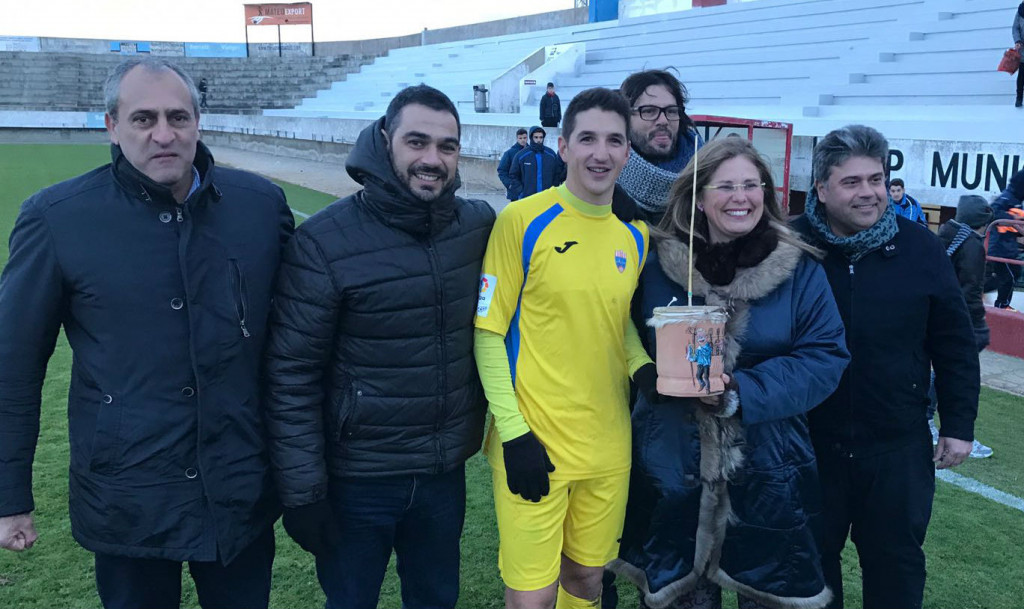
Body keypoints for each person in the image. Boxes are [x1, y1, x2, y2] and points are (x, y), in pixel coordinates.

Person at [0, 57, 293, 609]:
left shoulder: (260, 205)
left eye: (178, 117)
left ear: (198, 122)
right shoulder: (57, 218)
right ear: (111, 126)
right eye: (143, 119)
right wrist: (9, 496)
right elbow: (12, 367)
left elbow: (296, 340)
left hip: (238, 489)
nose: (164, 134)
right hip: (125, 495)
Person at [262, 84, 495, 609]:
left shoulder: (477, 224)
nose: (432, 159)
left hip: (442, 474)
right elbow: (290, 374)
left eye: (447, 146)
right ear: (385, 140)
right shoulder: (324, 242)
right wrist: (302, 494)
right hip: (356, 480)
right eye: (417, 142)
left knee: (436, 600)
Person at [611, 137, 849, 609]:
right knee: (681, 597)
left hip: (769, 472)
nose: (741, 197)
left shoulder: (798, 267)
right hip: (670, 465)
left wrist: (741, 391)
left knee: (766, 591)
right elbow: (615, 334)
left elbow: (825, 356)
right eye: (725, 186)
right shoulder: (653, 262)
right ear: (698, 196)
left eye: (751, 184)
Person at [474, 87, 650, 609]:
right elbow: (487, 331)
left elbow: (616, 322)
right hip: (534, 441)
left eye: (614, 140)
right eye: (588, 138)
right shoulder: (522, 221)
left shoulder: (635, 235)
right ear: (563, 145)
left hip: (607, 444)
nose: (601, 152)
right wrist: (513, 434)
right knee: (533, 597)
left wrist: (641, 369)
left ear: (627, 152)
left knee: (587, 581)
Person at [792, 125, 980, 609]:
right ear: (821, 189)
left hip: (897, 446)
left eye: (876, 179)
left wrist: (958, 426)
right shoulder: (789, 246)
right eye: (852, 182)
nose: (869, 193)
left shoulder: (921, 248)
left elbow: (954, 343)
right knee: (810, 572)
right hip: (809, 444)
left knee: (896, 569)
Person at [930, 194, 994, 458]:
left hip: (935, 313)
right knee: (956, 370)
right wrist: (978, 324)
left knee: (939, 368)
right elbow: (970, 289)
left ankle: (927, 420)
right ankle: (934, 423)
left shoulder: (945, 232)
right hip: (958, 320)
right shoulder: (971, 244)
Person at [617, 69, 704, 224]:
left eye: (671, 111)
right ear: (626, 118)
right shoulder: (600, 185)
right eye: (649, 111)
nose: (663, 120)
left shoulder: (706, 176)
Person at [985, 169, 1024, 309]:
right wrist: (1012, 220)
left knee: (1014, 274)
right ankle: (1002, 304)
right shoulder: (1007, 197)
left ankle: (978, 291)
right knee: (1008, 278)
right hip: (999, 248)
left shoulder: (1017, 201)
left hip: (1009, 248)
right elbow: (992, 211)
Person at [508, 125, 565, 201]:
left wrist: (553, 191)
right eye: (536, 137)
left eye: (541, 137)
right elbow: (513, 175)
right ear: (531, 137)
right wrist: (521, 191)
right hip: (528, 199)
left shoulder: (551, 154)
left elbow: (557, 174)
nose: (539, 140)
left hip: (547, 198)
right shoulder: (521, 155)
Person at [498, 127, 528, 200]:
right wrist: (510, 185)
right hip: (515, 191)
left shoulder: (532, 152)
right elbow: (502, 170)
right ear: (517, 139)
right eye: (520, 138)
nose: (523, 140)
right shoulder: (509, 153)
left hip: (529, 190)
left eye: (524, 138)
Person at [1014, 3, 1023, 107]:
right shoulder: (1020, 11)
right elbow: (1015, 28)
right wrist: (1017, 40)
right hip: (1022, 48)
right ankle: (1019, 98)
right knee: (1021, 76)